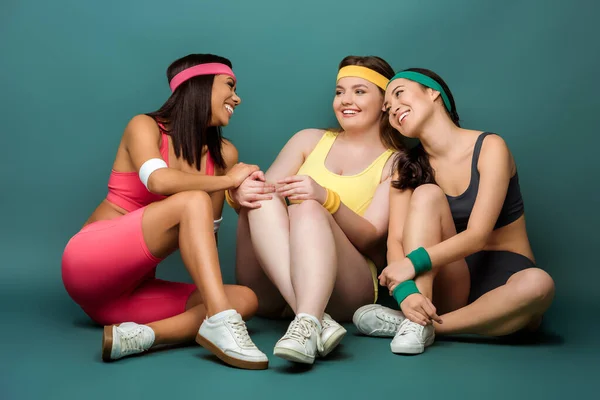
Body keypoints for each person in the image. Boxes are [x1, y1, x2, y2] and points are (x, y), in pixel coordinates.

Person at [61, 54, 269, 370]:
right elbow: (157, 181)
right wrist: (227, 182)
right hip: (88, 264)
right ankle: (221, 322)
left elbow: (206, 238)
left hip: (127, 298)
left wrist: (237, 198)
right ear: (199, 86)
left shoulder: (223, 153)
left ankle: (141, 336)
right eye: (230, 85)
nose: (237, 98)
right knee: (194, 199)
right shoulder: (145, 127)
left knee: (244, 300)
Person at [352, 68, 555, 355]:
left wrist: (413, 263)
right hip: (450, 283)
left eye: (399, 94)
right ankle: (418, 316)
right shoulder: (407, 167)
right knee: (427, 194)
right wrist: (407, 293)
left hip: (507, 281)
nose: (393, 108)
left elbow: (477, 236)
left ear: (433, 92)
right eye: (387, 109)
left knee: (540, 284)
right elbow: (395, 241)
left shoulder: (490, 147)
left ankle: (424, 326)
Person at [229, 56, 405, 365]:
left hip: (347, 290)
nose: (345, 101)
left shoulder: (396, 162)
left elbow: (372, 238)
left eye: (360, 91)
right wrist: (239, 193)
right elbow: (259, 201)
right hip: (271, 290)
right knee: (265, 195)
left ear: (384, 103)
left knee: (307, 207)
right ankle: (312, 319)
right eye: (340, 92)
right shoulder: (308, 139)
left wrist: (327, 198)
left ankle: (309, 319)